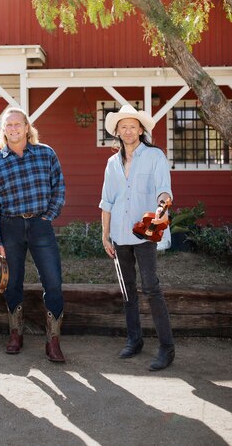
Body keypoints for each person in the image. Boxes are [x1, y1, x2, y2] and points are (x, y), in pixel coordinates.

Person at [0, 107, 66, 362]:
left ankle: (53, 341)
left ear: (27, 127)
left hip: (41, 225)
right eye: (8, 125)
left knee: (53, 282)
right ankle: (15, 334)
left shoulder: (46, 154)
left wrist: (48, 216)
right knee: (13, 283)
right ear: (3, 130)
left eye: (18, 124)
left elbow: (59, 188)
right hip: (11, 227)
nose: (14, 129)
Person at [99, 104, 175, 371]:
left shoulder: (155, 156)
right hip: (119, 235)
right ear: (117, 132)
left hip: (145, 234)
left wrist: (161, 209)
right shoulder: (111, 163)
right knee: (127, 289)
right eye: (123, 127)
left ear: (141, 130)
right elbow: (107, 201)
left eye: (132, 126)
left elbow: (164, 192)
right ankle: (134, 340)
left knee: (151, 288)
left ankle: (167, 348)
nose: (128, 131)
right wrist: (105, 234)